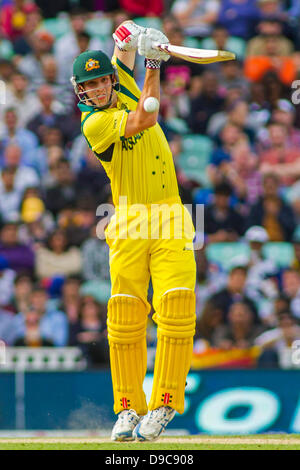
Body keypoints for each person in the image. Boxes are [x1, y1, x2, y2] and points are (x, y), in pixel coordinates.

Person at [71, 20, 197, 441]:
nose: (98, 90)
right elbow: (147, 116)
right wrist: (155, 65)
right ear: (82, 92)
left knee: (177, 307)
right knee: (124, 314)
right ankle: (127, 408)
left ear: (109, 79)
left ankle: (164, 402)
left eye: (102, 81)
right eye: (89, 86)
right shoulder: (94, 123)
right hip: (127, 219)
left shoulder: (119, 79)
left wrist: (133, 34)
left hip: (171, 214)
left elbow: (123, 45)